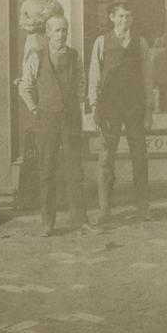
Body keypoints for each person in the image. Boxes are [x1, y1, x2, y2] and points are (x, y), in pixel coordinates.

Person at [18, 15, 99, 237]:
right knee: (47, 170)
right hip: (46, 119)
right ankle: (48, 222)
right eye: (56, 31)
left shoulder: (74, 56)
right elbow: (25, 87)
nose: (61, 34)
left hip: (70, 118)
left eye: (64, 30)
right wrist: (36, 109)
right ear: (48, 33)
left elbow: (81, 82)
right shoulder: (37, 56)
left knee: (75, 169)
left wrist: (77, 104)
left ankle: (80, 219)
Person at [87, 0, 153, 223]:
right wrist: (94, 107)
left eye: (129, 16)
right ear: (112, 18)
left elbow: (147, 78)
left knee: (140, 158)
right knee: (106, 159)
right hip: (110, 108)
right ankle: (105, 211)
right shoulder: (101, 42)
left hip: (135, 107)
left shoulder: (140, 43)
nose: (125, 20)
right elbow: (94, 76)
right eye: (121, 16)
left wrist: (149, 110)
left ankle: (143, 208)